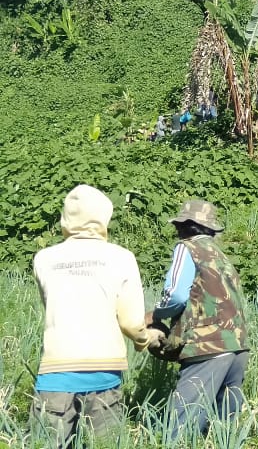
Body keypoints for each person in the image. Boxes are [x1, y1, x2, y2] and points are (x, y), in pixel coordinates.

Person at [30, 185, 161, 447]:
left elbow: (52, 306)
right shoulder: (121, 257)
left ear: (66, 217)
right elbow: (132, 323)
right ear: (104, 215)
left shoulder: (44, 258)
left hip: (55, 374)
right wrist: (145, 339)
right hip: (104, 375)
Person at [151, 200, 250, 442]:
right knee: (223, 432)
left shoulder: (187, 248)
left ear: (184, 226)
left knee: (180, 430)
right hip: (237, 346)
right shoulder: (220, 254)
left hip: (208, 346)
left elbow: (174, 294)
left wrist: (155, 315)